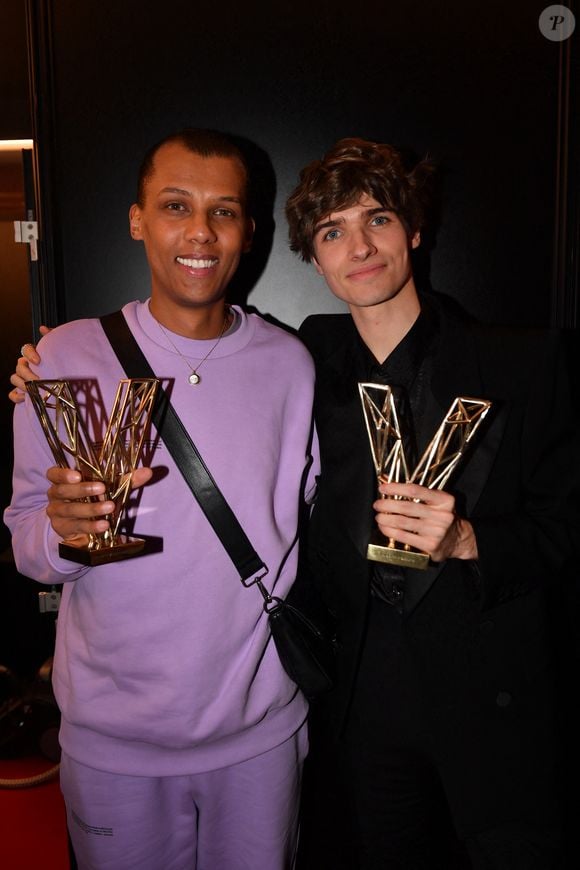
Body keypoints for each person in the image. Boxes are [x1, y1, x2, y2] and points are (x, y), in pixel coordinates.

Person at [4, 128, 319, 870]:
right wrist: (59, 531)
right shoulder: (64, 356)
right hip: (114, 746)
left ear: (249, 230)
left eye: (225, 211)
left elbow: (307, 513)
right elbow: (27, 549)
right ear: (138, 218)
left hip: (260, 735)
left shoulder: (291, 366)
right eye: (176, 205)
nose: (201, 233)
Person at [282, 137, 578, 869]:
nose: (359, 246)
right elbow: (200, 365)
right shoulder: (301, 361)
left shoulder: (524, 362)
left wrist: (473, 540)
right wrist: (60, 361)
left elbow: (568, 526)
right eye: (332, 231)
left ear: (414, 229)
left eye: (377, 219)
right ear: (315, 262)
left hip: (496, 700)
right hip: (363, 704)